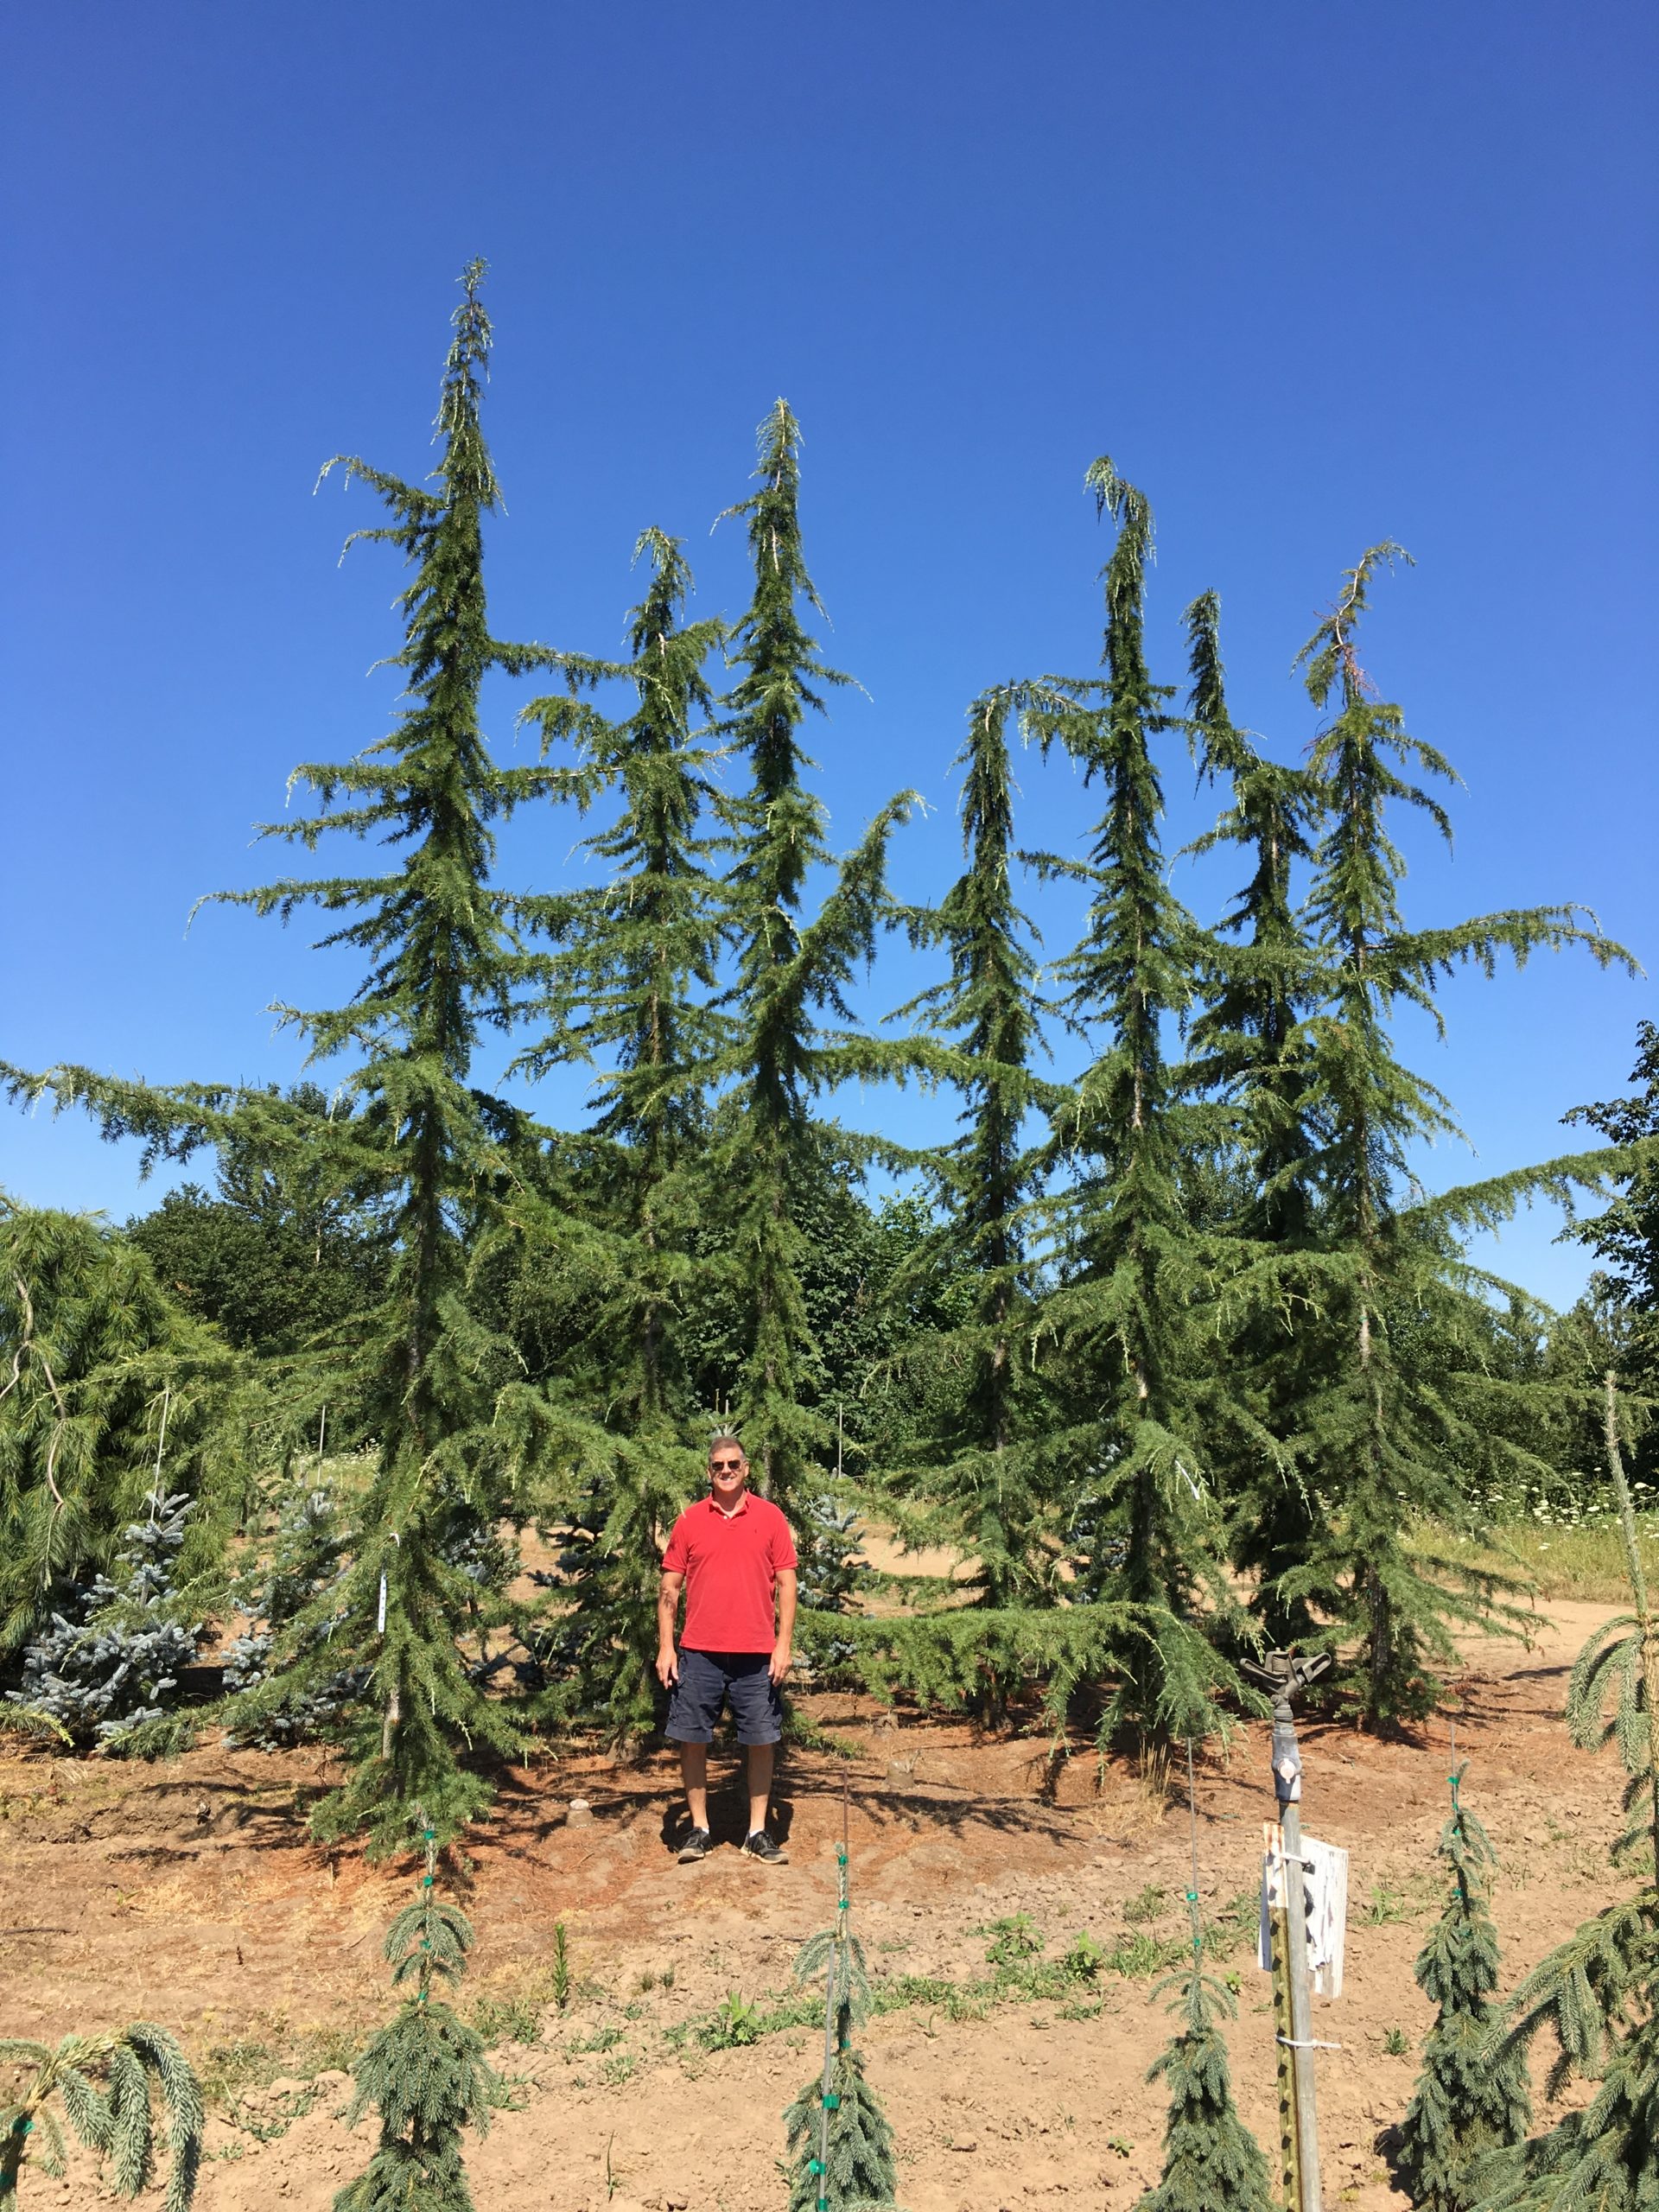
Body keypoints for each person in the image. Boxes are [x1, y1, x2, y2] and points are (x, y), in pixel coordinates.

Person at [657, 1430, 798, 1864]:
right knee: (692, 1739)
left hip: (756, 1654)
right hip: (699, 1652)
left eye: (733, 1464)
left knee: (760, 1739)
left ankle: (757, 1832)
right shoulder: (690, 1521)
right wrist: (666, 1647)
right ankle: (699, 1830)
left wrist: (783, 1645)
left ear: (746, 1468)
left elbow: (788, 1584)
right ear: (709, 1471)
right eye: (718, 1466)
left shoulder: (771, 1518)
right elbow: (669, 1587)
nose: (726, 1472)